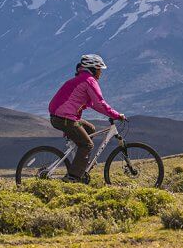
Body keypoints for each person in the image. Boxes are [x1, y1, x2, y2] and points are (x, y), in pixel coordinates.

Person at [48, 54, 126, 182]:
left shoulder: (82, 78)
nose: (101, 72)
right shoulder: (89, 80)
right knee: (87, 145)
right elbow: (99, 103)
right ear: (93, 68)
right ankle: (72, 177)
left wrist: (110, 113)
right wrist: (116, 115)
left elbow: (93, 104)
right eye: (99, 69)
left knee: (90, 129)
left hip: (61, 117)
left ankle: (83, 164)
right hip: (65, 118)